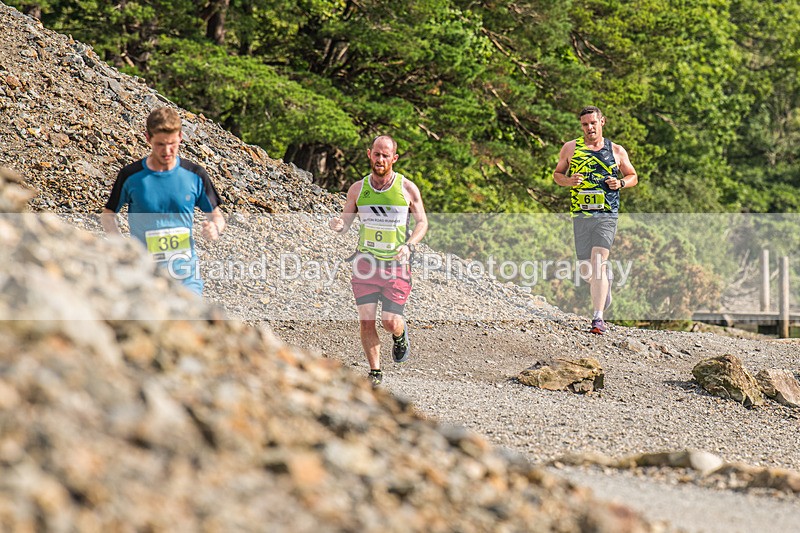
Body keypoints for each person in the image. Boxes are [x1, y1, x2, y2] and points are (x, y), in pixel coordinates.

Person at [329, 135, 428, 386]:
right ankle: (375, 372)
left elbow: (422, 222)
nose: (380, 159)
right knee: (366, 320)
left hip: (396, 264)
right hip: (365, 264)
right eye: (377, 154)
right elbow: (346, 222)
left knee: (389, 322)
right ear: (369, 154)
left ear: (394, 158)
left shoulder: (407, 188)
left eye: (386, 155)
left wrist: (409, 245)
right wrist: (339, 225)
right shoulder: (357, 189)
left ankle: (400, 333)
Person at [101, 106, 225, 295]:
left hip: (186, 278)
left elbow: (217, 216)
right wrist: (120, 245)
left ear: (181, 137)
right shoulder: (131, 176)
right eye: (160, 144)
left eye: (172, 143)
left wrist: (215, 229)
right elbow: (108, 214)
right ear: (148, 139)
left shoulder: (195, 175)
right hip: (144, 276)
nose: (167, 151)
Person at [553, 106, 638, 334]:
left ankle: (598, 318)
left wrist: (620, 183)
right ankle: (604, 283)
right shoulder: (570, 148)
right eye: (585, 124)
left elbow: (633, 176)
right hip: (580, 214)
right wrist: (568, 181)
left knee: (598, 260)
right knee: (585, 270)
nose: (589, 128)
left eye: (593, 123)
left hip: (606, 214)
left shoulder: (616, 150)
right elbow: (557, 175)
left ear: (602, 122)